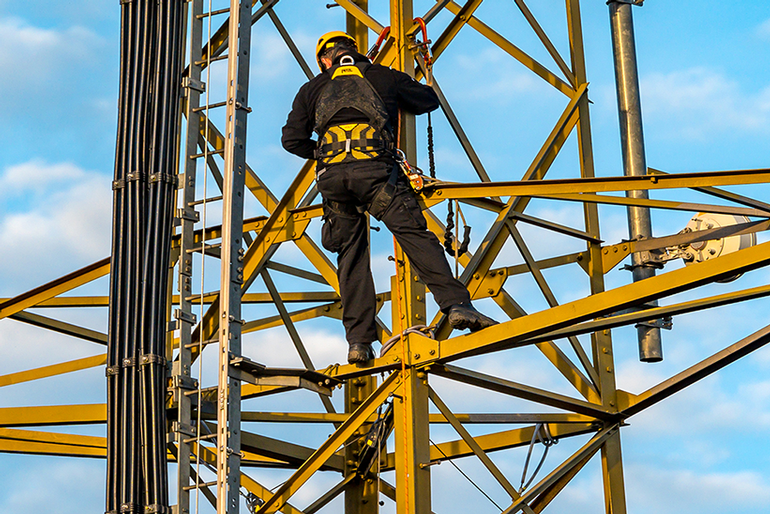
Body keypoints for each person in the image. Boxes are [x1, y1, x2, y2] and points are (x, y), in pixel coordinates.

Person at [281, 31, 496, 364]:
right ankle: (456, 306)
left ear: (325, 59)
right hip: (378, 176)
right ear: (355, 52)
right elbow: (427, 101)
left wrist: (324, 153)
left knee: (350, 257)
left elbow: (291, 140)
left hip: (335, 183)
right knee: (416, 237)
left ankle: (359, 343)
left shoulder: (311, 89)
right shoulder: (384, 75)